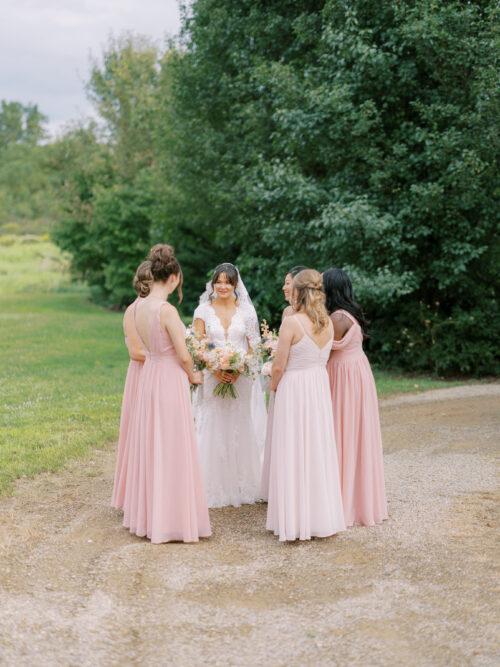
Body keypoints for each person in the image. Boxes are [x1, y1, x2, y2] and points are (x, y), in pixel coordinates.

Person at [122, 244, 211, 543]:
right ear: (173, 277)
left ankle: (151, 516)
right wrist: (194, 375)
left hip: (150, 377)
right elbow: (184, 356)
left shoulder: (139, 308)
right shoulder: (166, 310)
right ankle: (172, 519)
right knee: (172, 444)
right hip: (170, 378)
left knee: (154, 443)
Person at [266, 269, 345, 541]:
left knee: (292, 448)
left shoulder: (292, 323)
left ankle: (294, 519)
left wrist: (273, 385)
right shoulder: (328, 323)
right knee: (316, 449)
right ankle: (320, 517)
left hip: (295, 388)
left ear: (299, 292)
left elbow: (279, 365)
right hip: (318, 389)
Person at [193, 263, 266, 508]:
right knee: (213, 424)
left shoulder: (246, 312)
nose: (222, 286)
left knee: (239, 423)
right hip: (213, 376)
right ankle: (212, 486)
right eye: (218, 282)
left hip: (240, 378)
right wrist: (215, 366)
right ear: (212, 284)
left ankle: (241, 484)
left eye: (228, 282)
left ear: (235, 285)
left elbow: (255, 348)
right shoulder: (203, 310)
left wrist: (238, 369)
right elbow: (199, 345)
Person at [323, 268, 388, 527]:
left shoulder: (338, 318)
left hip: (345, 377)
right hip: (354, 373)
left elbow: (321, 347)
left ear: (330, 289)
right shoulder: (348, 313)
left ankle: (345, 500)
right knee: (352, 433)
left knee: (344, 432)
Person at [111, 260, 152, 510]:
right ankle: (133, 496)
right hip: (142, 374)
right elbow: (136, 351)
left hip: (159, 374)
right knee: (139, 431)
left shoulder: (161, 308)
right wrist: (165, 359)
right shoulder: (133, 311)